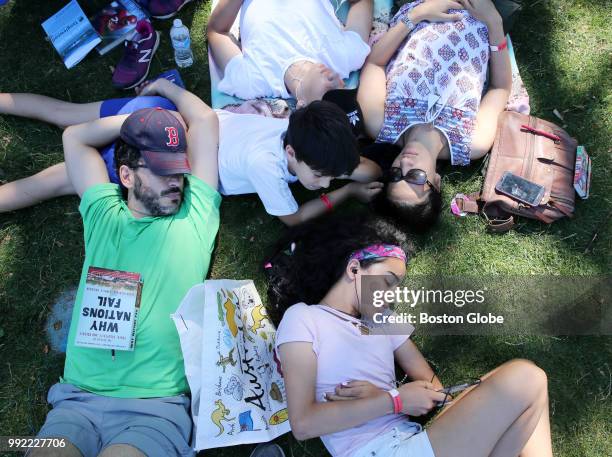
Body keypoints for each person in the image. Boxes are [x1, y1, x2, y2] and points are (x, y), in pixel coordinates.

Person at [29, 83, 221, 457]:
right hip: (76, 401)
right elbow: (75, 138)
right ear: (127, 176)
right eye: (162, 172)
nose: (175, 183)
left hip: (154, 408)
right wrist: (136, 124)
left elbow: (205, 120)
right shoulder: (103, 214)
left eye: (178, 172)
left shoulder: (195, 215)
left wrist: (166, 91)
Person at [266, 213, 553, 457]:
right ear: (354, 268)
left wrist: (386, 396)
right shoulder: (304, 318)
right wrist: (395, 402)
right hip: (377, 451)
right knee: (526, 378)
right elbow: (303, 424)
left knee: (529, 383)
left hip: (410, 440)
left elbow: (436, 391)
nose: (391, 297)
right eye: (388, 282)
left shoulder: (383, 320)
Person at [0, 80, 382, 225]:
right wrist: (344, 193)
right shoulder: (264, 166)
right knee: (48, 185)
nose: (324, 183)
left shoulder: (297, 131)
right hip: (160, 160)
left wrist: (356, 170)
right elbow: (294, 219)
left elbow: (360, 168)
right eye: (321, 175)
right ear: (292, 152)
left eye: (332, 176)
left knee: (63, 113)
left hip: (158, 117)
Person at [357, 0, 512, 231]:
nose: (406, 163)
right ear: (436, 183)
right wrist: (494, 21)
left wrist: (417, 15)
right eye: (416, 177)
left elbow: (375, 63)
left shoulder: (379, 123)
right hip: (479, 13)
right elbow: (500, 88)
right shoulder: (472, 143)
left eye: (396, 174)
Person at [207, 0, 373, 107]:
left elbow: (216, 31)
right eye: (342, 89)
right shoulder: (347, 56)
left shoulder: (251, 81)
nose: (336, 81)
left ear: (302, 104)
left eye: (330, 94)